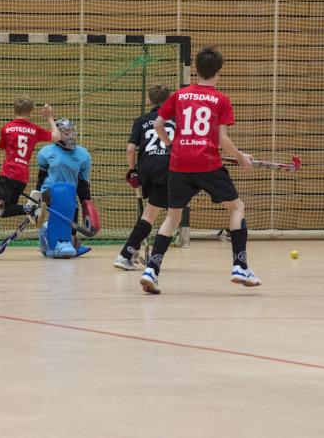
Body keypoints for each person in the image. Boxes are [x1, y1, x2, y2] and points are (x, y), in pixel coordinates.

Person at [139, 45, 260, 294]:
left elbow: (159, 124)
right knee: (236, 207)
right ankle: (240, 266)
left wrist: (172, 144)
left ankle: (151, 270)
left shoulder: (180, 95)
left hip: (179, 164)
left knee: (173, 216)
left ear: (196, 69)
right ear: (219, 72)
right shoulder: (221, 100)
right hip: (207, 162)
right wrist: (240, 157)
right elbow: (222, 139)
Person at [0, 96, 60, 259]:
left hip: (8, 173)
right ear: (31, 112)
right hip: (22, 176)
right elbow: (56, 136)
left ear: (14, 110)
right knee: (0, 212)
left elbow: (3, 146)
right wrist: (49, 117)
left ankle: (29, 209)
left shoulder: (7, 128)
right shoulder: (34, 129)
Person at [114, 84, 174, 271]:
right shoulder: (177, 119)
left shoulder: (141, 120)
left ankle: (133, 252)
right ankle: (127, 254)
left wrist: (133, 171)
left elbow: (130, 149)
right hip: (168, 167)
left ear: (149, 100)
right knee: (161, 214)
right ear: (169, 100)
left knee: (153, 212)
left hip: (147, 168)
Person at [36, 118, 100, 258]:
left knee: (72, 206)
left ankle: (66, 242)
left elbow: (82, 184)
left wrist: (86, 205)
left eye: (71, 131)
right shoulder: (46, 152)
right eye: (65, 132)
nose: (70, 135)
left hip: (69, 196)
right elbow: (41, 177)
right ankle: (60, 242)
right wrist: (36, 198)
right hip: (49, 192)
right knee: (64, 202)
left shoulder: (83, 155)